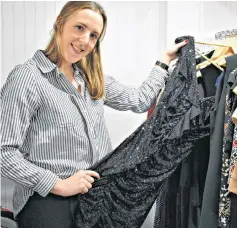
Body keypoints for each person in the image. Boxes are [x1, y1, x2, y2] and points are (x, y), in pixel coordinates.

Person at [0, 1, 188, 227]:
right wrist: (59, 184)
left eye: (93, 36)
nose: (85, 41)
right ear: (60, 23)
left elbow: (139, 100)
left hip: (94, 195)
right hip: (46, 197)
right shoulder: (27, 77)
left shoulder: (91, 79)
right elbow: (4, 152)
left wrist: (164, 61)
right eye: (79, 28)